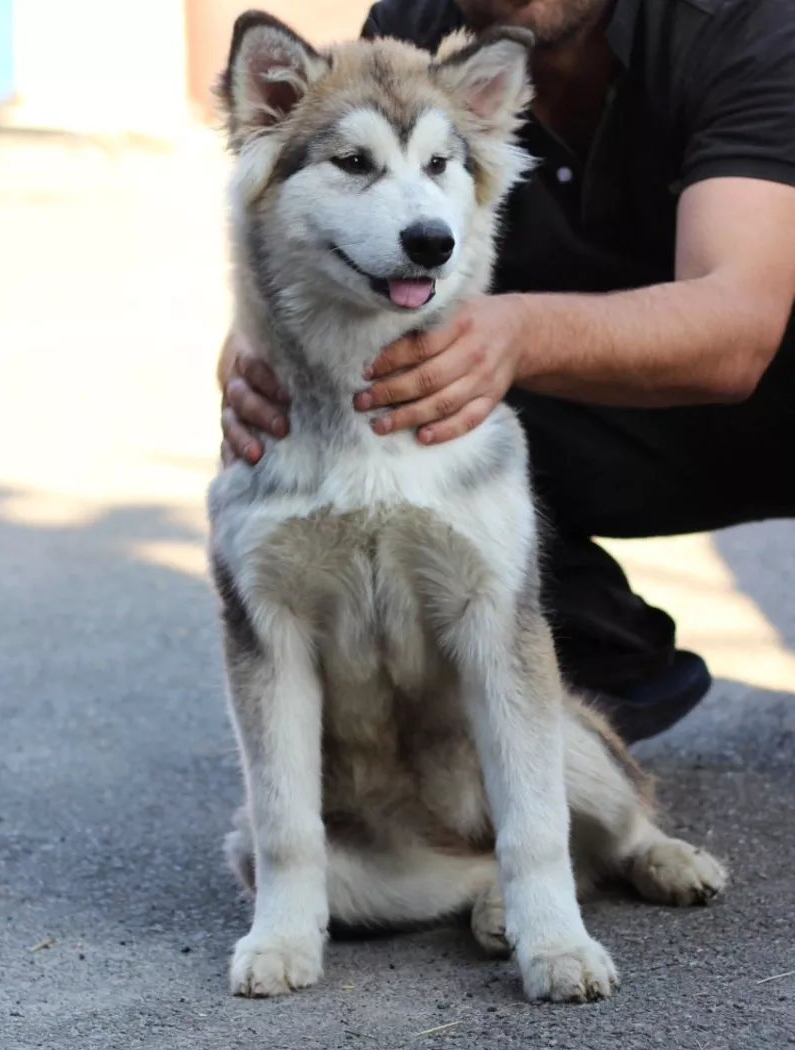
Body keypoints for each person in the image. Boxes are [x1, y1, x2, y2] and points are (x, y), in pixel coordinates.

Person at [217, 0, 795, 744]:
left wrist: (517, 334)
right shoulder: (414, 30)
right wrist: (255, 360)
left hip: (774, 401)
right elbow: (313, 238)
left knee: (459, 368)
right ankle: (578, 657)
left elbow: (737, 329)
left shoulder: (749, 24)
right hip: (612, 404)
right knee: (377, 395)